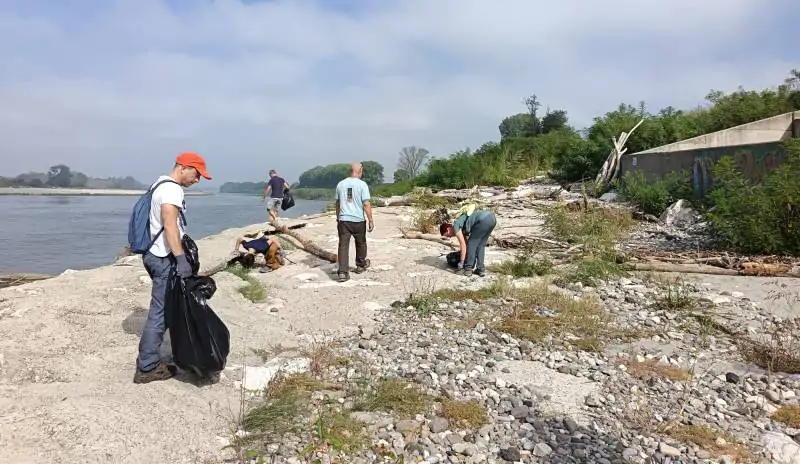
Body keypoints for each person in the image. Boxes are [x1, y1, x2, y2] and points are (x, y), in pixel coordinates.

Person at [133, 151, 212, 384]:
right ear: (183, 167)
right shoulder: (171, 190)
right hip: (163, 258)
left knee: (166, 308)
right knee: (160, 311)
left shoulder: (159, 184)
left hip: (153, 255)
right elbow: (170, 226)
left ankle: (157, 355)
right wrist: (180, 259)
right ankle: (147, 366)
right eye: (196, 174)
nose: (197, 180)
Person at [334, 162, 374, 282]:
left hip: (344, 220)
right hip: (358, 220)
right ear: (360, 171)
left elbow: (338, 203)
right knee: (361, 243)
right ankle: (360, 265)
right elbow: (366, 204)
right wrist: (370, 220)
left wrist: (338, 217)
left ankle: (342, 272)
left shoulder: (341, 184)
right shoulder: (362, 185)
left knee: (343, 245)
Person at [439, 203, 497, 277]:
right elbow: (465, 245)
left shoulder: (456, 226)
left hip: (483, 219)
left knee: (472, 243)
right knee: (481, 245)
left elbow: (463, 245)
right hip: (492, 218)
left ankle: (468, 269)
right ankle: (480, 269)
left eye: (447, 235)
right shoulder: (461, 226)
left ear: (448, 229)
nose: (449, 237)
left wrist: (461, 264)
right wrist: (465, 257)